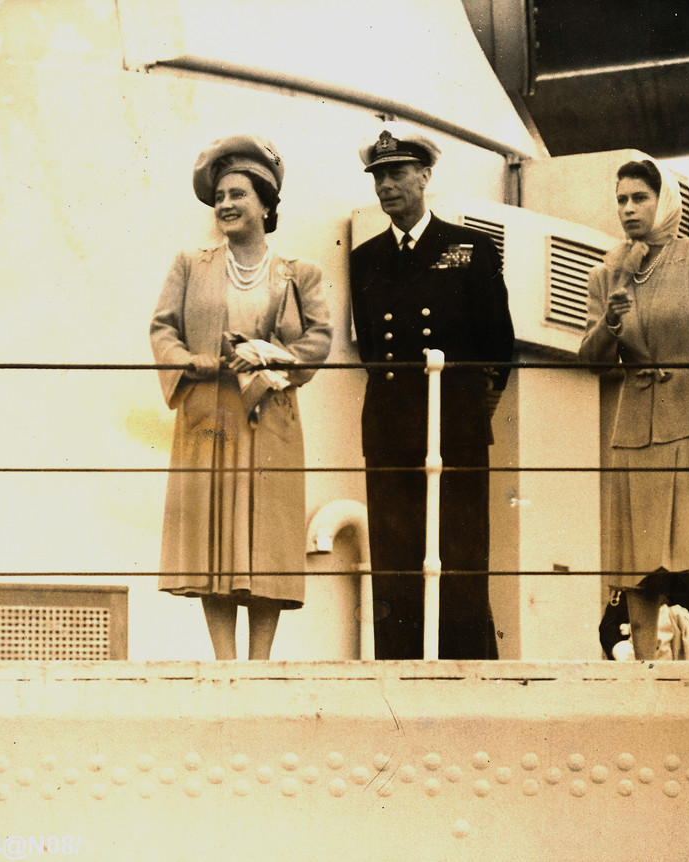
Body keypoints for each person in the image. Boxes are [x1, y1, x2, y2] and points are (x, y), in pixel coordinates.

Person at [151, 134, 332, 660]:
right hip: (209, 415)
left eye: (238, 194)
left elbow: (319, 338)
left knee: (267, 540)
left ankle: (261, 664)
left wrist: (268, 354)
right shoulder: (191, 263)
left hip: (269, 417)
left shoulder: (301, 273)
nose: (225, 204)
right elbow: (164, 329)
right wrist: (192, 361)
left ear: (266, 203)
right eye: (220, 196)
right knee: (214, 539)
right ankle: (225, 663)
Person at [578, 158, 689, 661]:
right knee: (635, 555)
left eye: (640, 198)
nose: (629, 209)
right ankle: (643, 665)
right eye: (622, 200)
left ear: (664, 202)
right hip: (635, 424)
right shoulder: (607, 273)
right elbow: (593, 361)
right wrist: (610, 324)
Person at [349, 123, 515, 660]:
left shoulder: (469, 249)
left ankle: (471, 676)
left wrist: (469, 413)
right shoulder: (366, 259)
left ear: (424, 176)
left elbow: (497, 349)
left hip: (455, 427)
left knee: (461, 554)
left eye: (397, 173)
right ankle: (398, 677)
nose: (386, 186)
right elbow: (373, 352)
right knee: (395, 559)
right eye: (378, 176)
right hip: (391, 428)